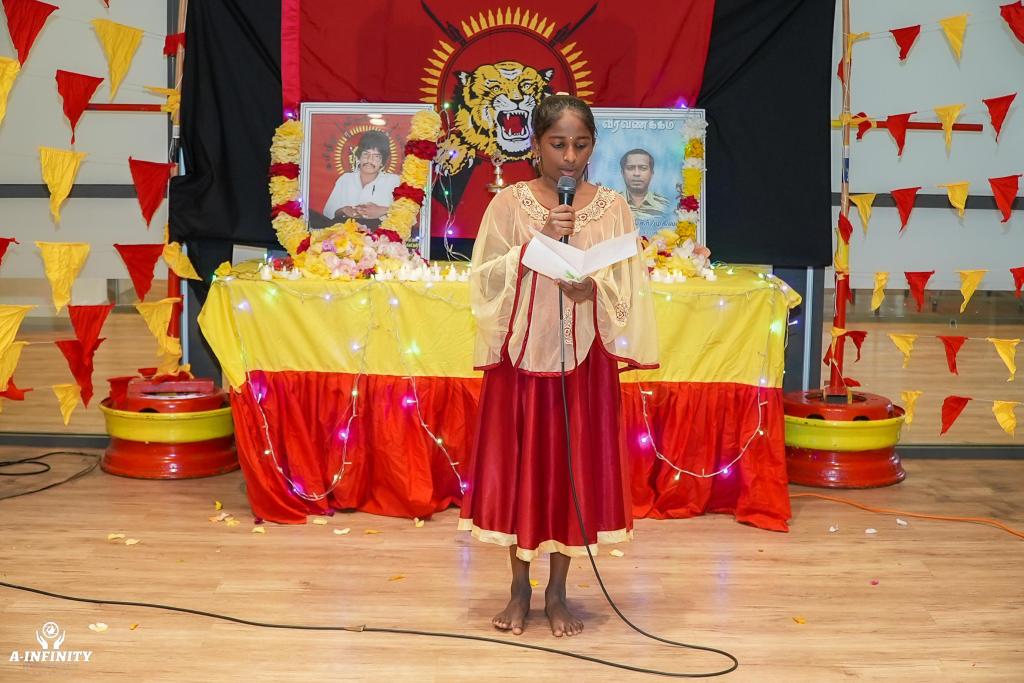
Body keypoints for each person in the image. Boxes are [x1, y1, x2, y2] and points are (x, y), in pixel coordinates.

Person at [460, 94, 658, 638]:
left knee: (573, 470)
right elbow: (484, 279)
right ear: (536, 145)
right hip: (521, 365)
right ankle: (518, 588)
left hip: (584, 366)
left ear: (593, 146)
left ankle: (558, 592)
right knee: (522, 471)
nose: (570, 157)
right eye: (558, 144)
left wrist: (594, 287)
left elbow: (629, 283)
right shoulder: (510, 203)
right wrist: (540, 243)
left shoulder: (612, 207)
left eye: (581, 144)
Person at [321, 130, 400, 226]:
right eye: (366, 154)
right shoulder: (345, 179)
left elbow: (408, 215)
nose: (370, 160)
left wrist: (382, 210)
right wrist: (344, 210)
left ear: (382, 161)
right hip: (345, 232)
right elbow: (327, 212)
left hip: (381, 233)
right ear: (359, 156)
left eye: (376, 156)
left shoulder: (394, 181)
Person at [619, 148, 671, 220]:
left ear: (651, 173)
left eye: (643, 168)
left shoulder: (666, 206)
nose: (636, 173)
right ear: (622, 173)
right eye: (630, 168)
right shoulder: (611, 204)